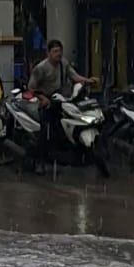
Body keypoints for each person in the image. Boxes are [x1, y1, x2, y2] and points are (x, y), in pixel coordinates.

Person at [27, 39, 98, 174]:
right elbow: (31, 87)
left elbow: (74, 76)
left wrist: (88, 81)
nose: (58, 54)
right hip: (46, 102)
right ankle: (39, 162)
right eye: (55, 51)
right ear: (48, 53)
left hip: (61, 101)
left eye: (60, 51)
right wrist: (43, 99)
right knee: (45, 131)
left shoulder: (63, 63)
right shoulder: (41, 68)